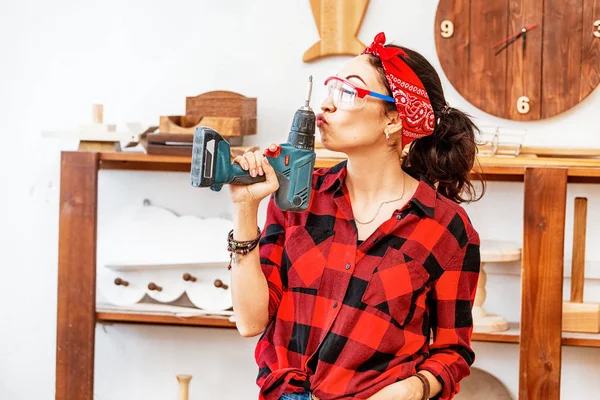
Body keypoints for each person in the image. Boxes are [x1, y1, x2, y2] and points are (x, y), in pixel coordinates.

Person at [227, 32, 485, 400]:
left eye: (349, 92)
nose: (326, 107)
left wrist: (410, 391)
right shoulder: (298, 196)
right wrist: (244, 208)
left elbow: (452, 352)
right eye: (330, 90)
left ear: (394, 120)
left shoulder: (446, 228)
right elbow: (250, 320)